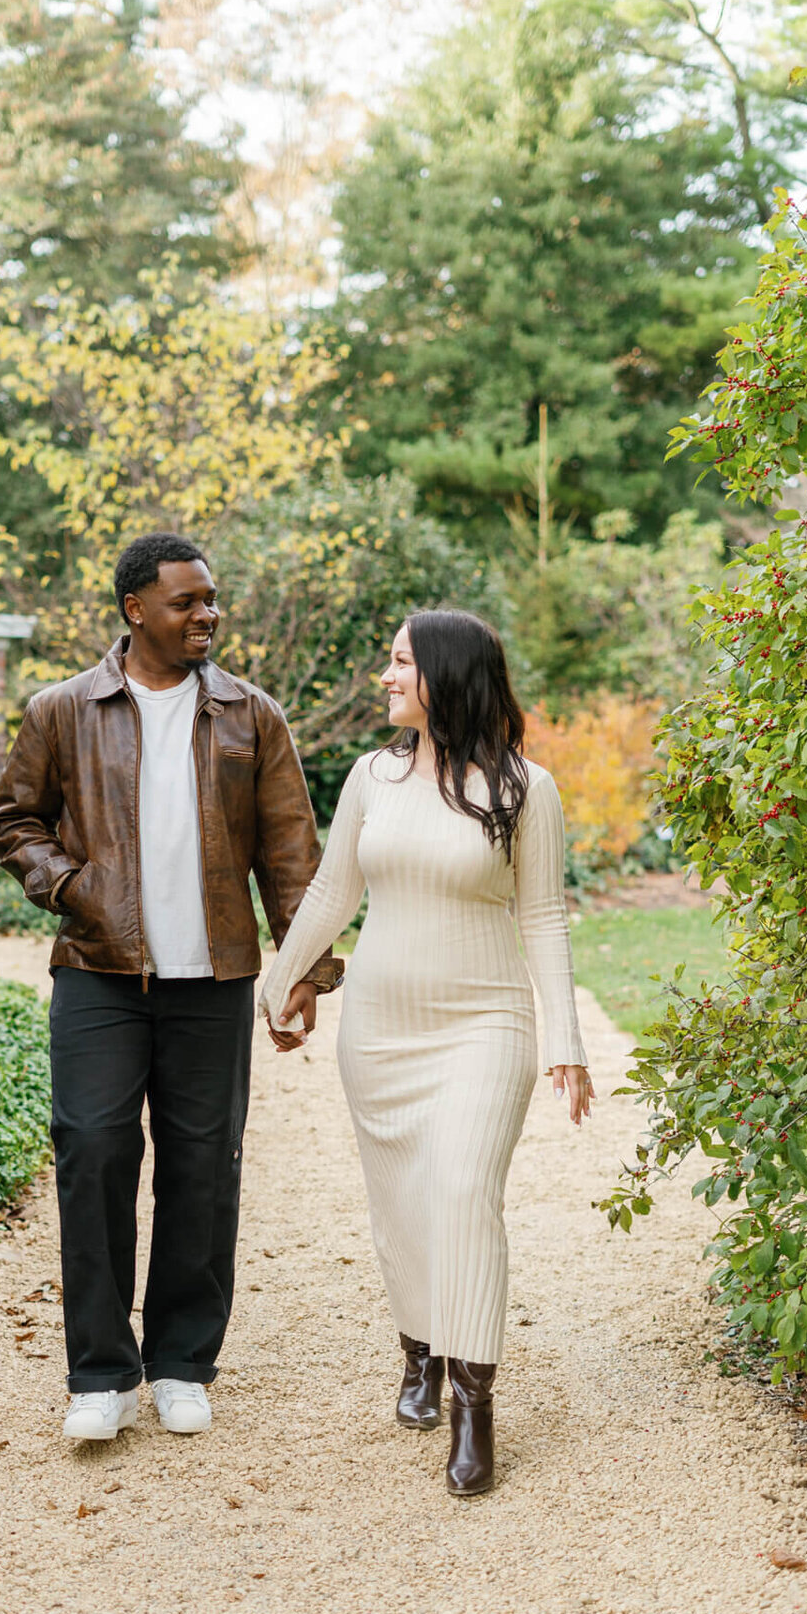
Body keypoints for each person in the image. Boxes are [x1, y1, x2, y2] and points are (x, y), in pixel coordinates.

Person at [0, 532, 341, 1443]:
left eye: (211, 600)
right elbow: (13, 818)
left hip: (214, 979)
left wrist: (304, 971)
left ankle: (182, 1363)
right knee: (93, 1153)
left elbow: (292, 852)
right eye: (186, 602)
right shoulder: (62, 710)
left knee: (201, 1169)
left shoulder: (251, 716)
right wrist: (71, 888)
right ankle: (100, 1375)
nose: (206, 615)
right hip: (100, 973)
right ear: (135, 609)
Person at [259, 609, 593, 1497]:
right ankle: (419, 1350)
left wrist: (565, 1037)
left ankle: (472, 1403)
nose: (386, 676)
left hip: (486, 1024)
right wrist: (280, 980)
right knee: (403, 1203)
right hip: (381, 1027)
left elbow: (544, 916)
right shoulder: (373, 776)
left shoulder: (527, 788)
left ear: (445, 675)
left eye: (400, 662)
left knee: (460, 1191)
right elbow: (334, 888)